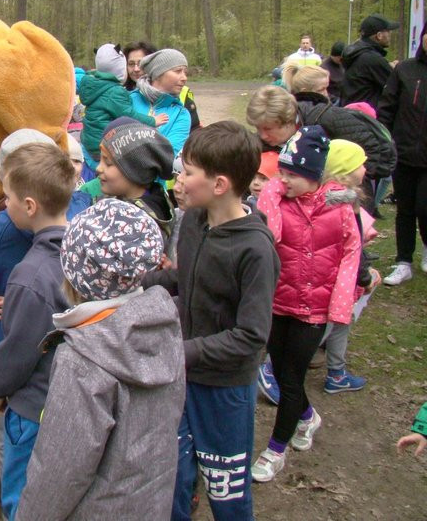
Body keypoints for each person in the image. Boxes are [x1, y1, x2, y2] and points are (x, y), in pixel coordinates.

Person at [142, 120, 280, 519]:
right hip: (182, 377)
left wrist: (180, 352)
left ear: (219, 185)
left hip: (224, 390)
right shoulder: (195, 223)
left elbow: (251, 337)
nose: (178, 180)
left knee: (227, 495)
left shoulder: (255, 250)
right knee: (172, 479)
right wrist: (138, 282)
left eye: (187, 172)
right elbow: (187, 279)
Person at [15, 199, 185, 521]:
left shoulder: (83, 359)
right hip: (150, 502)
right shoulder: (164, 324)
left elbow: (60, 469)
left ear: (76, 274)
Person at [252, 126, 360, 483]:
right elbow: (273, 236)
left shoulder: (342, 209)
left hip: (314, 310)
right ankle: (308, 417)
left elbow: (350, 257)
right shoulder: (278, 198)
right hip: (278, 301)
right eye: (281, 172)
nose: (283, 179)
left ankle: (275, 451)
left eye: (291, 175)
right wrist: (271, 190)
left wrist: (339, 308)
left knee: (292, 378)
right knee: (281, 372)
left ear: (313, 175)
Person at [0, 143, 76, 520]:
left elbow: (20, 350)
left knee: (22, 499)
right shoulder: (83, 250)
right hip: (71, 403)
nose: (3, 204)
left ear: (29, 206)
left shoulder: (29, 276)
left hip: (32, 407)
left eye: (7, 197)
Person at [246, 84, 393, 190]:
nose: (262, 135)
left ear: (288, 120)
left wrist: (347, 185)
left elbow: (372, 148)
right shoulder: (262, 140)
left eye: (267, 128)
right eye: (258, 128)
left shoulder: (327, 119)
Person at [321, 139, 380, 393]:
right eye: (360, 163)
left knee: (340, 323)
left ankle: (336, 372)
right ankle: (272, 370)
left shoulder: (329, 197)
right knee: (324, 327)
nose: (365, 168)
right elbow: (351, 248)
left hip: (338, 279)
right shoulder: (343, 203)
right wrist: (365, 277)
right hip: (336, 281)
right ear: (344, 170)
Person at [377, 20, 427, 286]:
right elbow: (387, 107)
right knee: (405, 209)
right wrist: (386, 139)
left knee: (424, 205)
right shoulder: (405, 70)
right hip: (404, 152)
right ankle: (403, 260)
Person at [80, 120, 176, 244]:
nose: (98, 168)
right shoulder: (120, 202)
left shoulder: (138, 224)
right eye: (100, 159)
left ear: (135, 171)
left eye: (108, 163)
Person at [78, 43, 159, 167]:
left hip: (89, 142)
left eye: (141, 64)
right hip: (106, 146)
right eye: (131, 64)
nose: (136, 69)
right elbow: (128, 115)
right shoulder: (116, 91)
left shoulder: (93, 83)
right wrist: (152, 121)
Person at [129, 48, 192, 155]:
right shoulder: (127, 100)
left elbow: (169, 155)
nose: (184, 77)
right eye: (178, 71)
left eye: (185, 72)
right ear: (158, 73)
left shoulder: (180, 114)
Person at [342, 14, 400, 109]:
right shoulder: (372, 58)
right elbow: (395, 85)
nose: (390, 34)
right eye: (388, 31)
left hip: (352, 112)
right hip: (365, 116)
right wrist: (398, 70)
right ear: (379, 35)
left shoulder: (358, 53)